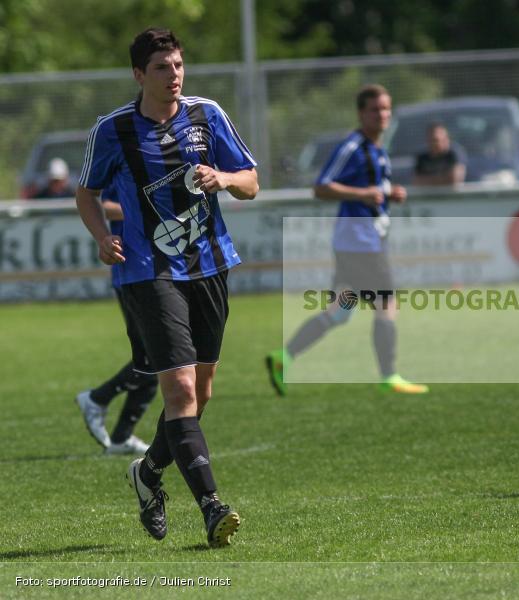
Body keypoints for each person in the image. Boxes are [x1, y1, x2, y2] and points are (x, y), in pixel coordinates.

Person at [75, 28, 258, 547]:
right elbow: (86, 193)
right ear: (139, 75)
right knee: (179, 390)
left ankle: (148, 473)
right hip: (147, 271)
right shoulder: (113, 129)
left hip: (211, 266)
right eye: (161, 67)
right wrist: (102, 236)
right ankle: (212, 506)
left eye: (177, 65)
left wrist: (224, 178)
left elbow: (251, 182)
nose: (173, 75)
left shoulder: (207, 114)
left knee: (200, 393)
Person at [266, 84, 428, 396]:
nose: (382, 114)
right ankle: (389, 376)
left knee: (340, 311)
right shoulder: (353, 146)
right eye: (375, 109)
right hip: (359, 241)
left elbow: (373, 190)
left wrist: (389, 194)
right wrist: (364, 194)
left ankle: (282, 357)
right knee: (387, 303)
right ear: (361, 113)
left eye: (386, 108)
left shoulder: (378, 149)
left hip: (362, 240)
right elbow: (321, 187)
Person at [75, 189, 156, 456]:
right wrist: (147, 207)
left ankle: (121, 437)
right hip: (133, 270)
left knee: (156, 361)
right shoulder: (120, 162)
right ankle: (97, 398)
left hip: (159, 268)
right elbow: (104, 205)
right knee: (158, 358)